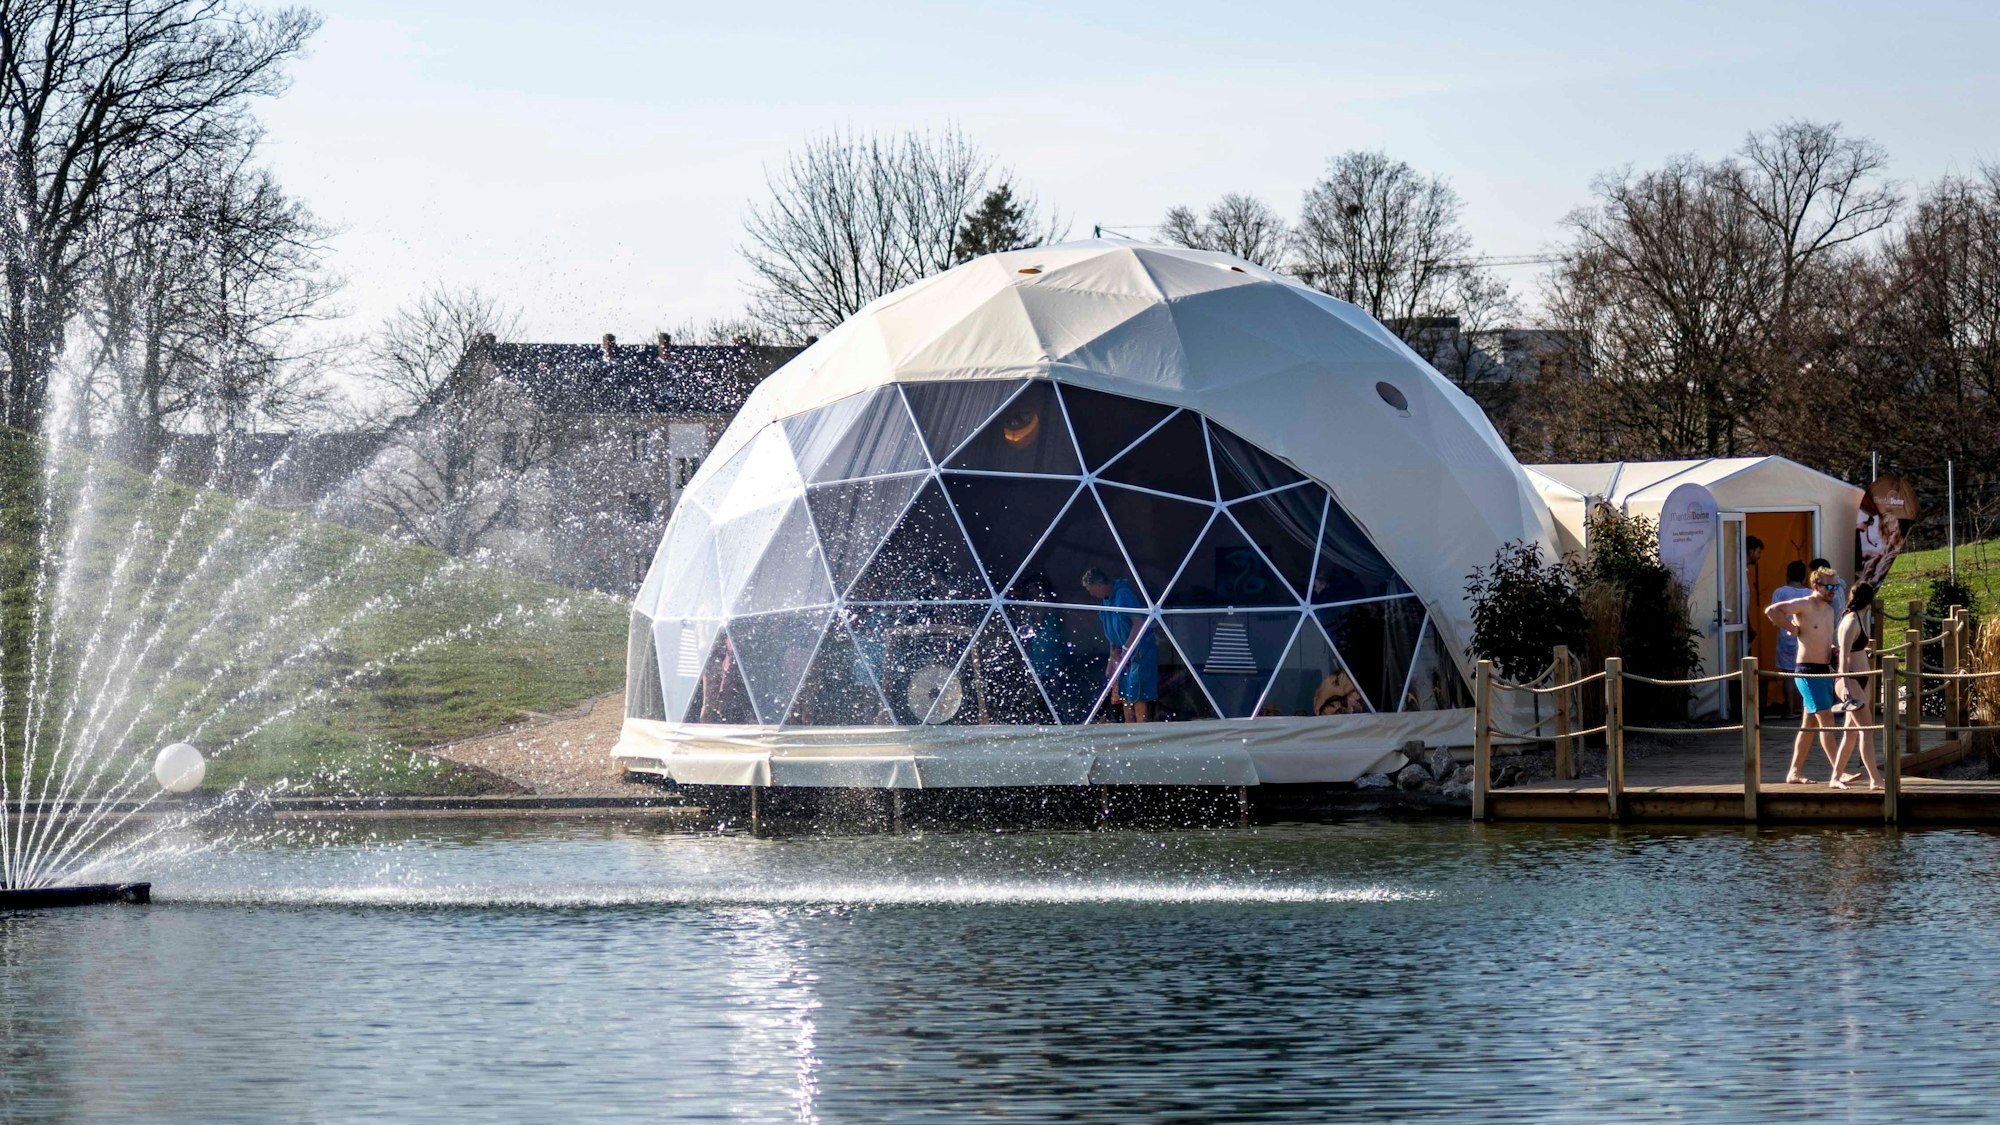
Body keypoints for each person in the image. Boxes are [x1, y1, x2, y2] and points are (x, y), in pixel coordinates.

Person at [1765, 566, 1845, 784]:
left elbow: (1822, 638)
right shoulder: (1805, 604)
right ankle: (1839, 771)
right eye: (1828, 586)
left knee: (1808, 725)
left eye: (1835, 586)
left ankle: (1794, 772)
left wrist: (1836, 652)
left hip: (1823, 670)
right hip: (1807, 672)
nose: (1833, 590)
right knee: (1827, 720)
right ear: (1815, 586)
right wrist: (1791, 628)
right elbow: (1772, 611)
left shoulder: (1829, 611)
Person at [1828, 582, 1884, 790]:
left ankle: (1835, 777)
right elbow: (1842, 656)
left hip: (1861, 678)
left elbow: (1854, 649)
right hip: (1849, 679)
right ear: (1870, 599)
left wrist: (1865, 652)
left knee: (1851, 732)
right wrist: (1847, 689)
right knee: (1866, 730)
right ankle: (1875, 779)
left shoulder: (1860, 617)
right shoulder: (1850, 621)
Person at [1082, 567, 1155, 722]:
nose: (1091, 594)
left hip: (1138, 650)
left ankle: (1142, 727)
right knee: (1125, 691)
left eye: (1091, 589)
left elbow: (1138, 623)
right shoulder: (1105, 600)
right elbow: (1112, 631)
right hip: (1122, 651)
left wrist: (1127, 648)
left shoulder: (1122, 595)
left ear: (1100, 584)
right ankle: (1130, 726)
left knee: (1137, 691)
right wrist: (1112, 657)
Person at [1770, 560, 1813, 717]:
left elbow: (1774, 616)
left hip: (1786, 635)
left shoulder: (1780, 592)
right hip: (1805, 637)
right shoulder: (1810, 594)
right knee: (1804, 673)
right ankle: (1804, 709)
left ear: (1787, 575)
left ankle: (1788, 709)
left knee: (1788, 674)